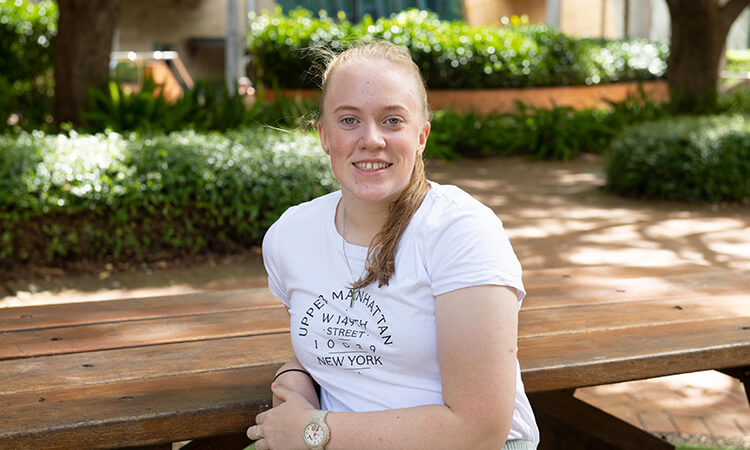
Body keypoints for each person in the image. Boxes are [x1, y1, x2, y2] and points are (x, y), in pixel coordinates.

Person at [246, 42, 539, 450]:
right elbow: (350, 346)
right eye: (349, 120)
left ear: (421, 136)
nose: (371, 139)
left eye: (392, 121)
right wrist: (294, 378)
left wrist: (314, 430)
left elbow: (479, 429)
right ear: (324, 136)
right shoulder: (290, 235)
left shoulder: (461, 231)